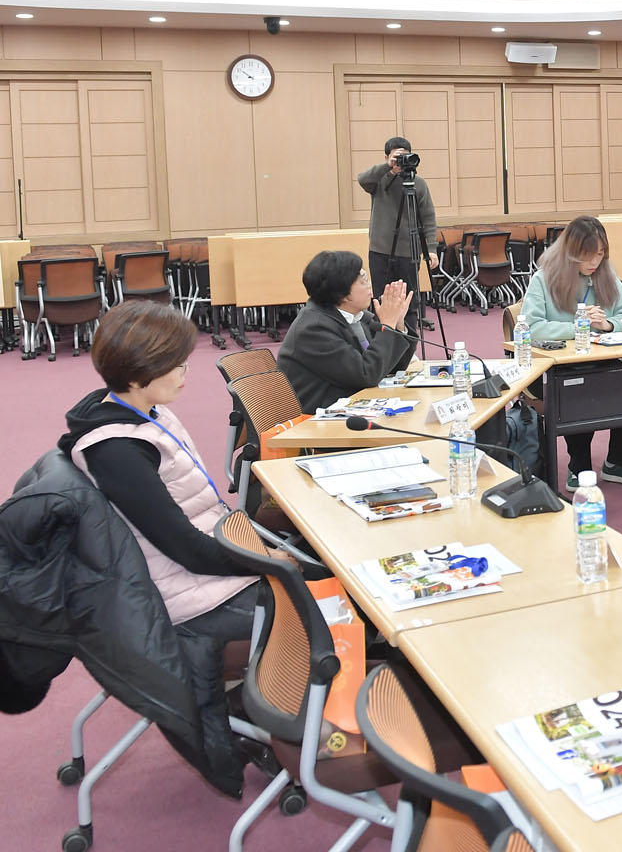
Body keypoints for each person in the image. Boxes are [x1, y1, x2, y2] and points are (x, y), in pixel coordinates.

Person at [61, 302, 262, 734]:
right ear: (137, 374)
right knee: (330, 607)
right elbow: (187, 550)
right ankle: (261, 712)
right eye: (175, 364)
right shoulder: (117, 450)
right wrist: (267, 563)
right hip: (185, 596)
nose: (185, 372)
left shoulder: (145, 411)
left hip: (201, 564)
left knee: (321, 570)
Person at [520, 216, 622, 491]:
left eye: (600, 254)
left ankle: (620, 462)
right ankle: (578, 466)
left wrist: (608, 324)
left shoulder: (605, 274)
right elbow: (531, 326)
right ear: (571, 252)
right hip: (554, 368)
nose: (595, 262)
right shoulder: (544, 279)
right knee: (578, 389)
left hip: (599, 360)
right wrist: (577, 327)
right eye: (588, 255)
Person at [277, 250, 416, 413]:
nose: (369, 285)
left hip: (350, 407)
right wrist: (387, 326)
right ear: (343, 293)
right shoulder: (314, 329)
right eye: (363, 281)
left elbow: (389, 368)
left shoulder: (358, 317)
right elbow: (366, 375)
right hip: (316, 419)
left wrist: (398, 325)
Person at [357, 136, 440, 347]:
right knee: (381, 300)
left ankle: (409, 347)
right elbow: (362, 179)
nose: (401, 160)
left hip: (408, 252)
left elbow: (428, 218)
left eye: (405, 155)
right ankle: (382, 347)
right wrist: (389, 166)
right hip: (380, 251)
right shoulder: (379, 181)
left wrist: (430, 248)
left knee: (409, 302)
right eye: (396, 156)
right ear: (387, 156)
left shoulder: (418, 184)